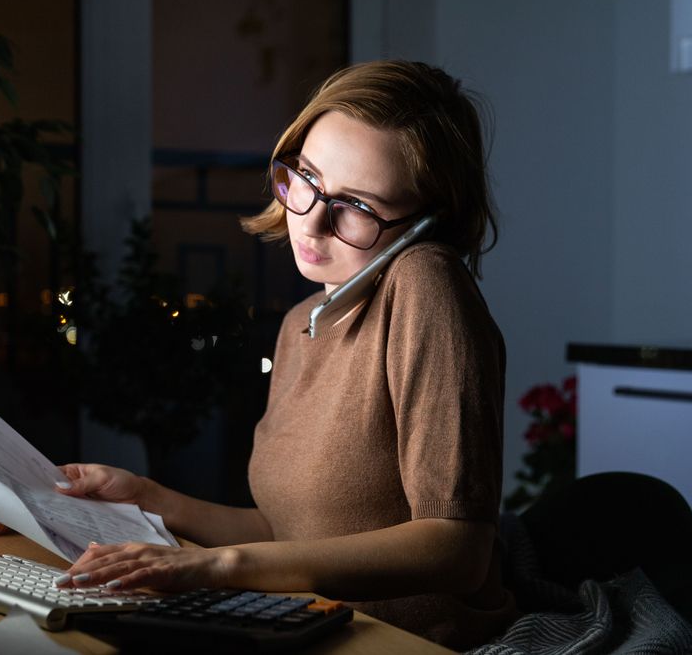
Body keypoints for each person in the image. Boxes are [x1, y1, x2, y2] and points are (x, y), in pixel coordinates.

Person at [54, 59, 516, 650]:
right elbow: (286, 532)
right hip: (309, 626)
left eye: (358, 206)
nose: (313, 219)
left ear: (424, 226)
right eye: (309, 178)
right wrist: (148, 497)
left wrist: (221, 568)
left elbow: (458, 550)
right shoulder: (303, 322)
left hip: (409, 642)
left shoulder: (426, 283)